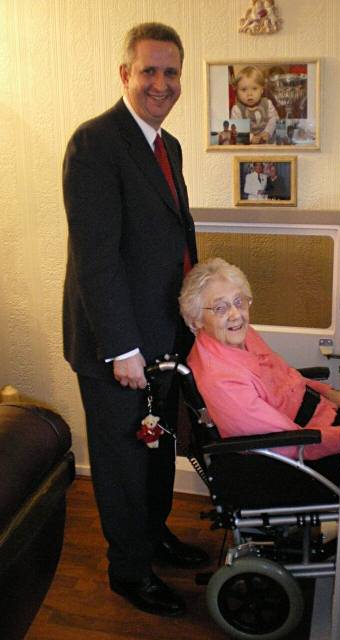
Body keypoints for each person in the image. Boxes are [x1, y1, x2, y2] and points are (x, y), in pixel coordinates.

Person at [62, 22, 208, 618]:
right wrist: (122, 348)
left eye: (171, 72)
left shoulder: (165, 145)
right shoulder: (95, 143)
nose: (161, 83)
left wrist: (197, 308)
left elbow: (174, 235)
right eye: (149, 70)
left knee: (156, 448)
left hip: (163, 334)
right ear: (125, 74)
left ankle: (153, 536)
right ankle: (128, 570)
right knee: (123, 462)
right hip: (117, 345)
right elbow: (97, 258)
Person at [179, 258, 340, 486]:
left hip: (321, 414)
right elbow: (292, 445)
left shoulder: (242, 335)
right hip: (299, 455)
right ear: (196, 319)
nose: (236, 314)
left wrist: (331, 394)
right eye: (220, 308)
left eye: (239, 301)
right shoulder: (221, 381)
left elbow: (288, 376)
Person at [230, 65, 279, 144]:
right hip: (248, 145)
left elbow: (274, 119)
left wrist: (268, 132)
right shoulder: (237, 109)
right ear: (237, 92)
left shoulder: (268, 103)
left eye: (254, 88)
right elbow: (236, 128)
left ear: (262, 90)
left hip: (267, 142)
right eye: (244, 89)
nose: (249, 94)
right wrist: (250, 137)